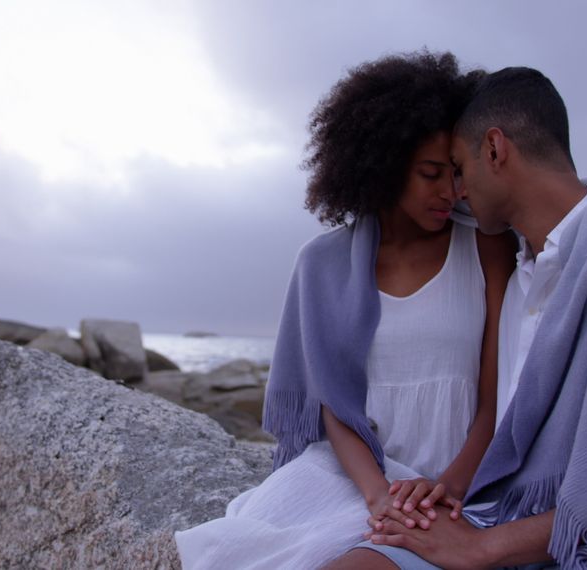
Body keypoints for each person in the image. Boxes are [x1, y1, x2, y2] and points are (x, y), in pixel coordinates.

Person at [330, 66, 587, 569]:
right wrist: (440, 498)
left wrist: (482, 548)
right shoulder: (522, 268)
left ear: (495, 150)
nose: (457, 192)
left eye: (459, 167)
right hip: (498, 514)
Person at [174, 50, 515, 570]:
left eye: (454, 172)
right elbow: (336, 406)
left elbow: (494, 404)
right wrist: (380, 495)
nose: (451, 192)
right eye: (430, 174)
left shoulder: (487, 248)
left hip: (458, 485)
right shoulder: (322, 264)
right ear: (382, 165)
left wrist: (443, 491)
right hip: (354, 478)